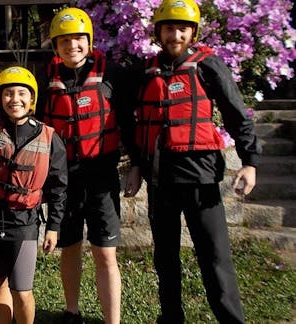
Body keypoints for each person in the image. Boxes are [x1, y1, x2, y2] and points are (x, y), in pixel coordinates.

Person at [123, 0, 261, 322]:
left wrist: (250, 161)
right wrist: (136, 165)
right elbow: (133, 121)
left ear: (193, 32)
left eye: (183, 28)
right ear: (158, 32)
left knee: (215, 256)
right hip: (160, 179)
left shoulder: (208, 66)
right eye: (169, 28)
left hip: (200, 176)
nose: (176, 34)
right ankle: (171, 318)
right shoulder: (144, 71)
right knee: (165, 258)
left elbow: (236, 114)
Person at [36, 7, 139, 324]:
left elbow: (128, 122)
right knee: (69, 246)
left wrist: (136, 164)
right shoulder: (45, 77)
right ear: (55, 46)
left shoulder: (111, 74)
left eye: (78, 39)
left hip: (102, 175)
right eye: (64, 41)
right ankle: (72, 312)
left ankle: (113, 320)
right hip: (64, 178)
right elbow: (36, 127)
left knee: (105, 252)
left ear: (89, 40)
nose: (72, 46)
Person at [0, 66, 67, 324]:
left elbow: (59, 187)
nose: (15, 99)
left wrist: (53, 226)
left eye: (22, 93)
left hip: (23, 221)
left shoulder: (49, 137)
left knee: (22, 291)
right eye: (8, 94)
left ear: (32, 98)